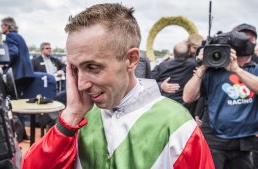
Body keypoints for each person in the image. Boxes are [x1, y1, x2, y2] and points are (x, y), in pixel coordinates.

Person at [22, 3, 214, 169]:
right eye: (75, 69)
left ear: (131, 59)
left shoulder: (178, 125)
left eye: (92, 67)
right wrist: (70, 119)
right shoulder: (78, 117)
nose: (81, 84)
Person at [183, 23, 258, 169]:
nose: (247, 41)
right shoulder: (213, 69)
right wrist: (203, 65)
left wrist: (236, 69)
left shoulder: (254, 69)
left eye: (251, 38)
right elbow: (187, 97)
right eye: (242, 36)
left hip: (243, 140)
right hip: (214, 139)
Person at [151, 41, 197, 116]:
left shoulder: (163, 65)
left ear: (174, 52)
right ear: (188, 53)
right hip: (184, 109)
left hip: (164, 106)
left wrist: (160, 85)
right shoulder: (193, 65)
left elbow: (150, 80)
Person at [0, 17, 34, 97]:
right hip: (26, 73)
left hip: (17, 73)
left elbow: (13, 52)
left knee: (13, 99)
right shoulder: (19, 36)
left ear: (7, 26)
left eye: (2, 24)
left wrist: (4, 63)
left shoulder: (10, 36)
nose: (0, 26)